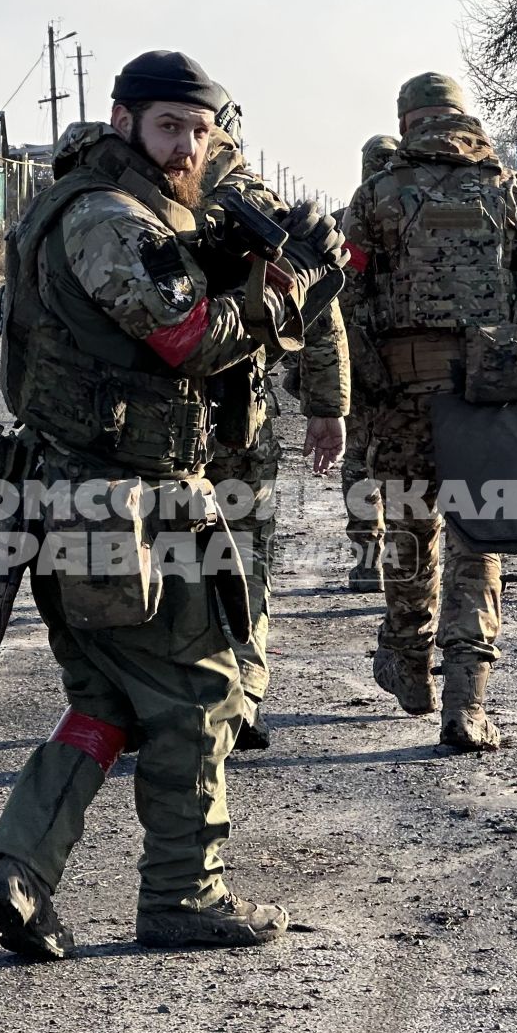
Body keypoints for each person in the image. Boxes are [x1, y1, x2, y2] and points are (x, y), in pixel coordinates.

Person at [0, 50, 347, 959]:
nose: (186, 147)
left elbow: (148, 311)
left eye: (200, 130)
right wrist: (279, 291)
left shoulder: (121, 208)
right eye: (168, 126)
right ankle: (185, 896)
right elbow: (184, 339)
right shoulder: (105, 218)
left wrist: (226, 257)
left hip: (87, 497)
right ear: (124, 122)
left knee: (108, 699)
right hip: (127, 502)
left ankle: (21, 872)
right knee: (202, 697)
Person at [338, 73, 517, 752]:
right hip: (487, 390)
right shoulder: (512, 189)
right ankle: (467, 703)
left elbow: (342, 298)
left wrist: (365, 380)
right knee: (480, 538)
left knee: (410, 533)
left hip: (401, 399)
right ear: (462, 118)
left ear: (408, 121)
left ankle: (409, 663)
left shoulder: (376, 196)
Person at [199, 112, 350, 751]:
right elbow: (319, 311)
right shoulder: (257, 201)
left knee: (147, 556)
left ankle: (166, 698)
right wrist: (327, 407)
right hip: (237, 416)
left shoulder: (124, 199)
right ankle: (244, 692)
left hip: (137, 422)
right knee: (243, 552)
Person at [338, 135, 399, 594]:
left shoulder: (350, 223)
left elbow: (340, 293)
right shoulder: (413, 219)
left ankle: (366, 561)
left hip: (359, 355)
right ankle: (404, 556)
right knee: (402, 458)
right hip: (401, 358)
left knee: (358, 460)